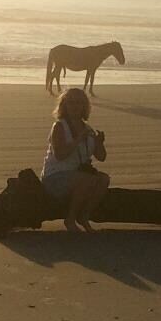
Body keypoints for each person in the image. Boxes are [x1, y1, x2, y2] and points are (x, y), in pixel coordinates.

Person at [41, 88, 109, 232]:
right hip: (55, 177)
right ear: (64, 106)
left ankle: (84, 216)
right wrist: (78, 139)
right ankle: (70, 219)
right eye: (71, 103)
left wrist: (99, 142)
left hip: (77, 175)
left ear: (84, 106)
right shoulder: (59, 126)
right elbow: (60, 155)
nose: (75, 107)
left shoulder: (88, 129)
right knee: (86, 180)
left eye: (78, 103)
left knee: (103, 179)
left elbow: (101, 157)